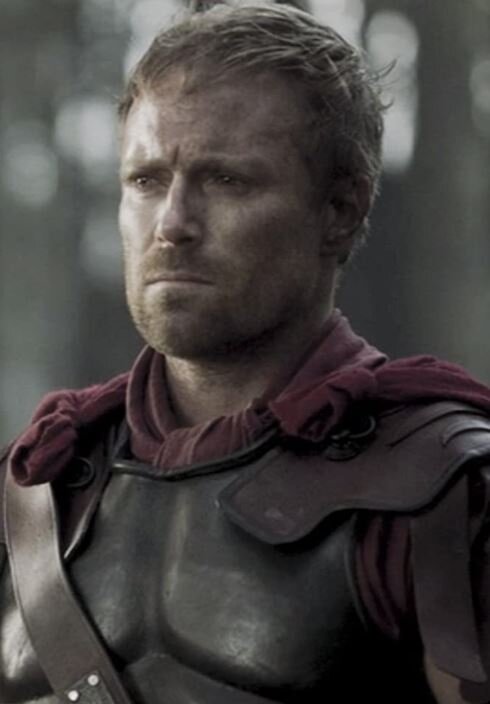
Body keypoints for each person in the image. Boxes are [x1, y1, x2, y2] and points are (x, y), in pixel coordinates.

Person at [1, 3, 490, 703]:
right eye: (145, 180)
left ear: (340, 211)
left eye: (227, 180)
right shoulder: (38, 487)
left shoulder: (439, 492)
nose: (173, 223)